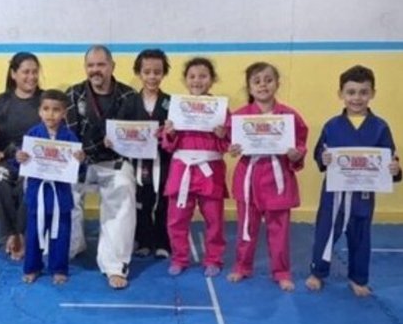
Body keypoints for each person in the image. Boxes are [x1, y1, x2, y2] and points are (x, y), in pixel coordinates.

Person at [305, 65, 401, 297]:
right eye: (351, 92)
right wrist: (324, 157)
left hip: (363, 194)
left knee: (360, 235)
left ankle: (358, 278)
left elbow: (390, 157)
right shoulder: (332, 125)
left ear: (372, 93)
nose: (357, 98)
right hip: (334, 193)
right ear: (341, 94)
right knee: (325, 232)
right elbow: (319, 152)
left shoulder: (380, 127)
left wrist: (395, 169)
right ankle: (318, 272)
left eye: (363, 92)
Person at [225, 62, 308, 291]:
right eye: (257, 81)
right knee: (246, 227)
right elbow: (228, 141)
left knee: (279, 230)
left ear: (277, 84)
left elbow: (301, 142)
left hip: (277, 176)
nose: (263, 85)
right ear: (249, 87)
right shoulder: (239, 116)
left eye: (268, 80)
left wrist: (296, 154)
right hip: (248, 177)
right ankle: (242, 266)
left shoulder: (289, 116)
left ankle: (281, 272)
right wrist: (232, 148)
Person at [66, 45, 137, 289]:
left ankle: (115, 265)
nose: (95, 70)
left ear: (112, 66)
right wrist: (78, 152)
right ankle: (73, 244)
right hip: (81, 161)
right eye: (91, 65)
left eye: (101, 65)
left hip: (113, 161)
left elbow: (136, 136)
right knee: (63, 189)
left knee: (124, 187)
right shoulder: (74, 94)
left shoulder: (128, 96)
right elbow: (68, 134)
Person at [161, 57, 229, 277]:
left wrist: (223, 134)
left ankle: (214, 258)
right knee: (176, 219)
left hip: (210, 171)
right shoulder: (177, 108)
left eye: (203, 76)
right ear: (185, 80)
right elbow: (167, 145)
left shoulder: (221, 109)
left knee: (214, 219)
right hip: (182, 170)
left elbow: (229, 145)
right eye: (192, 76)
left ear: (212, 79)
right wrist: (170, 133)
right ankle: (179, 258)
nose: (197, 81)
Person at [16, 89, 85, 284]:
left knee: (61, 234)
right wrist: (19, 157)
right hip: (37, 193)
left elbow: (79, 169)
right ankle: (32, 267)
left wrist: (81, 160)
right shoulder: (33, 134)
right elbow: (21, 161)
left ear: (64, 113)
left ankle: (59, 269)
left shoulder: (70, 137)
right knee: (33, 234)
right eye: (46, 109)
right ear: (39, 111)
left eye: (56, 110)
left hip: (60, 194)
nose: (50, 114)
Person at [0, 52, 44, 261]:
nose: (31, 77)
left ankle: (21, 235)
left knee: (28, 185)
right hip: (6, 160)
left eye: (35, 72)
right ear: (13, 74)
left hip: (35, 162)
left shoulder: (46, 101)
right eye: (26, 72)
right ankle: (12, 234)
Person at [116, 49, 172, 259]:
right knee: (141, 202)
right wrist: (113, 139)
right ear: (139, 73)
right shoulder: (130, 102)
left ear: (164, 73)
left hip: (163, 161)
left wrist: (170, 132)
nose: (152, 77)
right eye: (147, 72)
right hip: (138, 162)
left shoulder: (170, 102)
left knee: (162, 202)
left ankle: (162, 242)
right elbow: (120, 129)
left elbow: (177, 134)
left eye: (157, 72)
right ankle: (144, 241)